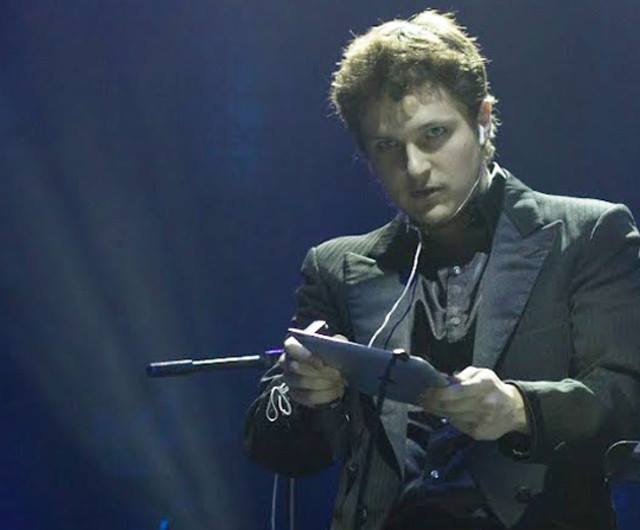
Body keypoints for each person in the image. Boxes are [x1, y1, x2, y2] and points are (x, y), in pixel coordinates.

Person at [244, 9, 640, 530]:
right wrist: (305, 397)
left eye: (434, 134)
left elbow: (626, 400)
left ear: (483, 119)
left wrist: (520, 408)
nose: (414, 168)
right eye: (388, 147)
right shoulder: (336, 266)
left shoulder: (586, 234)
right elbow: (276, 449)